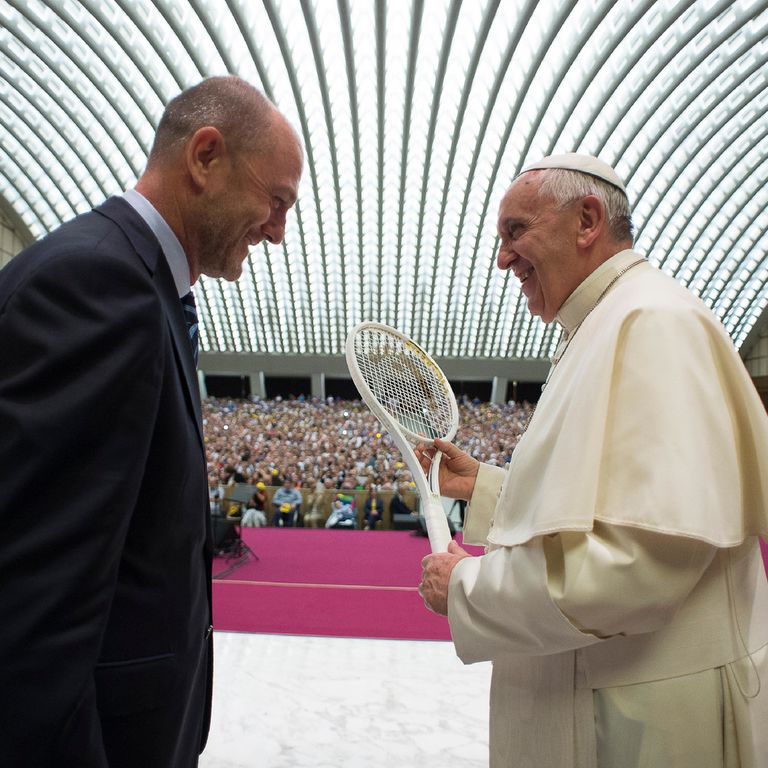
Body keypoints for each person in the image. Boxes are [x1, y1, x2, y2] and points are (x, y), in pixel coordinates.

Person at [418, 153, 768, 768]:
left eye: (516, 231)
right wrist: (485, 489)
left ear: (587, 220)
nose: (502, 259)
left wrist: (470, 588)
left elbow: (637, 565)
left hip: (648, 719)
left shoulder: (653, 322)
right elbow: (607, 501)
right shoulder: (605, 323)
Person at [0, 75, 302, 767]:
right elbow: (34, 604)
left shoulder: (134, 284)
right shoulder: (99, 288)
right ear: (205, 156)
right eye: (276, 200)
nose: (278, 232)